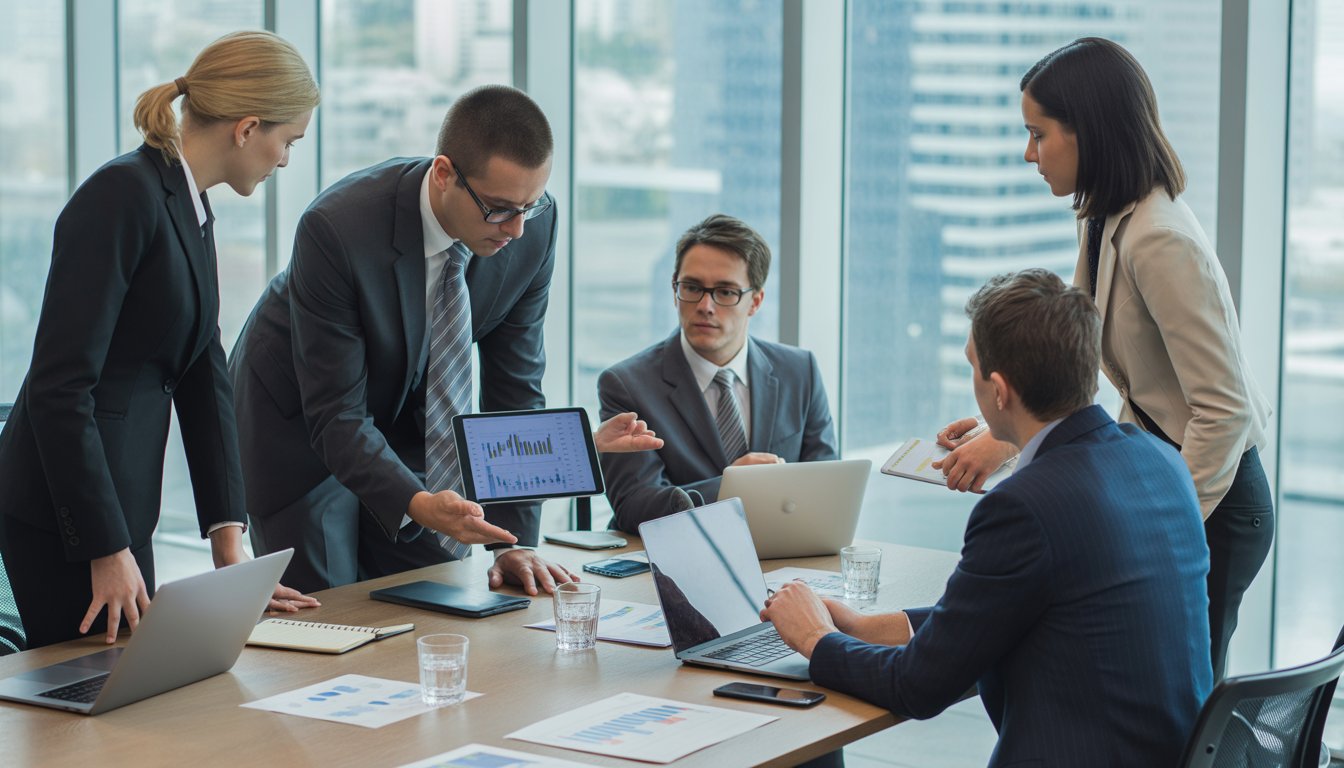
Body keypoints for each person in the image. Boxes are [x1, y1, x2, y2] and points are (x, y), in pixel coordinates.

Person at [764, 269, 1212, 766]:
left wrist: (813, 638)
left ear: (999, 390)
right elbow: (1017, 613)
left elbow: (917, 687)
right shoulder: (1160, 459)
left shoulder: (1023, 505)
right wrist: (869, 627)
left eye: (972, 368)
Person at [933, 37, 1274, 681]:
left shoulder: (1160, 239)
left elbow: (1223, 412)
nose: (1029, 153)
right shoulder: (1105, 215)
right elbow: (1075, 358)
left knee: (1181, 705)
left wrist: (1164, 519)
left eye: (1038, 134)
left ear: (1086, 131)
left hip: (1216, 499)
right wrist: (1000, 436)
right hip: (1172, 482)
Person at [230, 85, 658, 596]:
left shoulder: (530, 230)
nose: (517, 229)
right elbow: (337, 415)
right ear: (443, 174)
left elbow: (515, 389)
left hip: (411, 420)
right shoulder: (338, 226)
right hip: (300, 422)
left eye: (531, 205)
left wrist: (511, 540)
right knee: (331, 611)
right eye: (499, 209)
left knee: (431, 590)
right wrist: (416, 501)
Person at [0, 31, 321, 649]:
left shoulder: (189, 205)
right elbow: (59, 387)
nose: (284, 160)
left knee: (133, 699)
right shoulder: (121, 196)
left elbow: (203, 371)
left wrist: (231, 544)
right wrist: (104, 546)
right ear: (247, 127)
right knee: (90, 715)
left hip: (123, 511)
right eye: (288, 141)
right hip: (68, 520)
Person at [597, 214, 838, 533]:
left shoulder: (799, 370)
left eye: (725, 292)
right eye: (692, 287)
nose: (705, 305)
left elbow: (829, 489)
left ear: (755, 301)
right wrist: (729, 487)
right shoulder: (627, 384)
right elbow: (632, 507)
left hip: (785, 556)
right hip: (681, 561)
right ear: (674, 290)